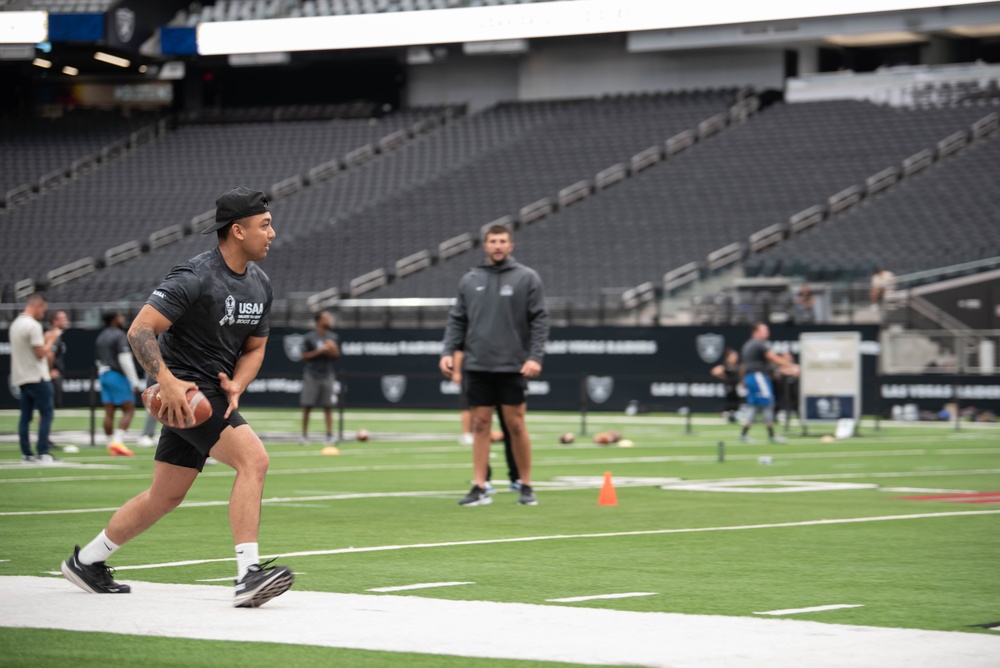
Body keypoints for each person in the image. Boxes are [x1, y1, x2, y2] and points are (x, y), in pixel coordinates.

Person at [61, 186, 293, 608]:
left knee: (165, 495)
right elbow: (140, 330)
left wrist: (239, 382)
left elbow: (255, 348)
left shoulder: (260, 284)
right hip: (185, 393)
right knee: (254, 460)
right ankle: (248, 575)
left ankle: (87, 561)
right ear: (237, 231)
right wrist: (165, 380)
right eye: (265, 225)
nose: (273, 233)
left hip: (209, 395)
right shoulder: (194, 276)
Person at [439, 224, 549, 507]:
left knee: (515, 424)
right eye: (492, 241)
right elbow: (457, 319)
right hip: (477, 364)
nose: (497, 245)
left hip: (513, 365)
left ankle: (525, 485)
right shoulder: (469, 279)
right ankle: (480, 486)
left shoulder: (527, 278)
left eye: (502, 241)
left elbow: (539, 320)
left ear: (511, 245)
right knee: (480, 425)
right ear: (485, 246)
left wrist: (535, 356)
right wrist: (448, 351)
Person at [453, 350, 520, 491]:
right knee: (481, 426)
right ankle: (483, 480)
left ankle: (517, 478)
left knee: (511, 427)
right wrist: (457, 371)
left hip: (505, 371)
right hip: (480, 372)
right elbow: (459, 348)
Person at [9, 293, 61, 464]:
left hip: (22, 377)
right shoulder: (33, 325)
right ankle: (43, 452)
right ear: (37, 306)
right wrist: (51, 340)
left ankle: (26, 453)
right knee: (46, 414)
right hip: (37, 377)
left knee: (25, 417)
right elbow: (40, 354)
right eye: (43, 309)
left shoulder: (15, 324)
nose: (43, 313)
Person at [738, 322, 796, 444]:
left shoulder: (748, 344)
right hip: (757, 377)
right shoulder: (758, 344)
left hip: (751, 377)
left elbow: (744, 365)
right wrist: (791, 365)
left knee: (753, 406)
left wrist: (743, 379)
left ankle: (743, 434)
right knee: (768, 403)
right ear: (756, 332)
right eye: (764, 330)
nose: (767, 333)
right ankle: (772, 435)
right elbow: (773, 358)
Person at [95, 312, 143, 456]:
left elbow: (97, 359)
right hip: (117, 375)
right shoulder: (119, 335)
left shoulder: (101, 336)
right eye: (120, 317)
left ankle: (110, 444)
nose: (123, 319)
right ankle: (117, 441)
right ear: (115, 320)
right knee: (129, 409)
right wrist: (134, 381)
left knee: (109, 412)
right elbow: (124, 359)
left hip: (103, 373)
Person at [299, 310, 340, 445]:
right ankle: (304, 435)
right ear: (319, 321)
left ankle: (329, 434)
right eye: (326, 318)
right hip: (312, 374)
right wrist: (320, 351)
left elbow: (336, 356)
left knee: (328, 405)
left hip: (327, 374)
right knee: (307, 405)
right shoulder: (310, 337)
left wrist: (332, 350)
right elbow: (304, 356)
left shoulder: (333, 337)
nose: (329, 320)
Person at [710, 347, 741, 423]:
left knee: (736, 401)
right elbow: (714, 371)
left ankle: (733, 416)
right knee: (730, 401)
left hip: (735, 386)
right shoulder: (726, 366)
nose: (735, 358)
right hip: (729, 386)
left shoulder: (736, 366)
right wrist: (723, 377)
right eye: (734, 356)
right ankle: (727, 415)